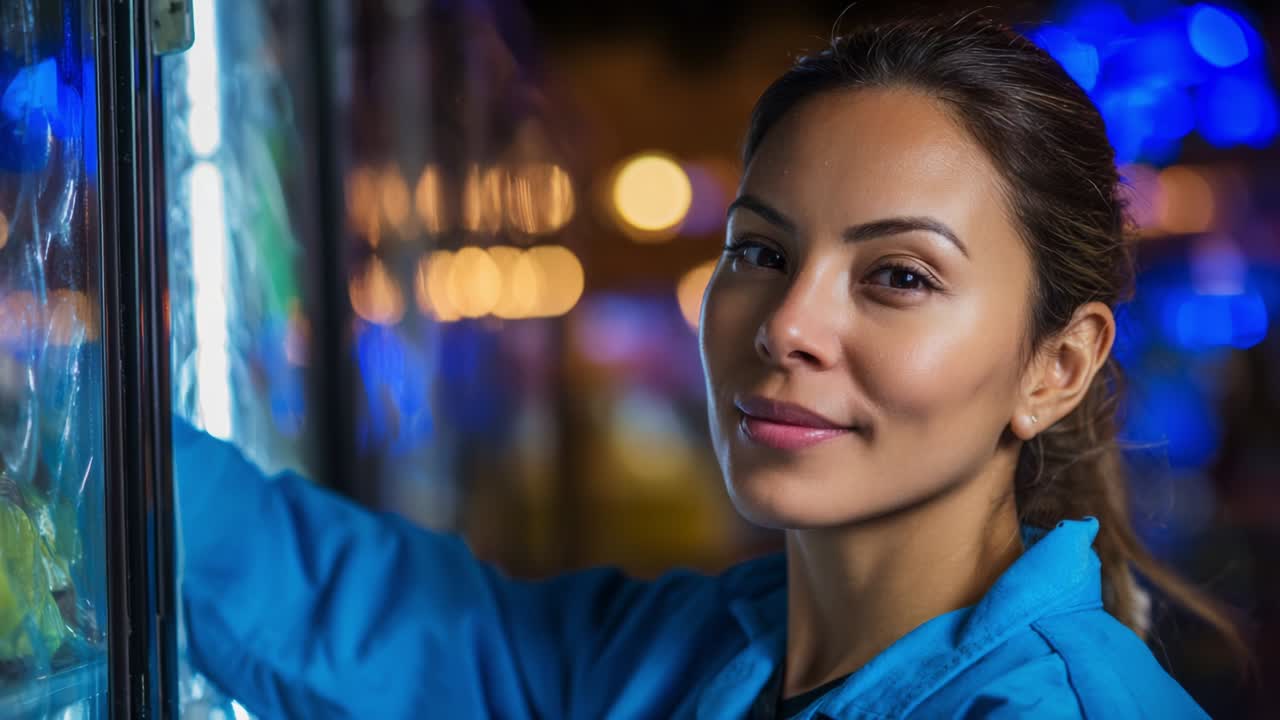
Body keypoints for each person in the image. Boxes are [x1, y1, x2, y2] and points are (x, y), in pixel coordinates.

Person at [175, 14, 1244, 719]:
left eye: (898, 277)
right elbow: (360, 620)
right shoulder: (688, 656)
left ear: (1053, 367)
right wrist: (76, 428)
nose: (785, 325)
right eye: (760, 252)